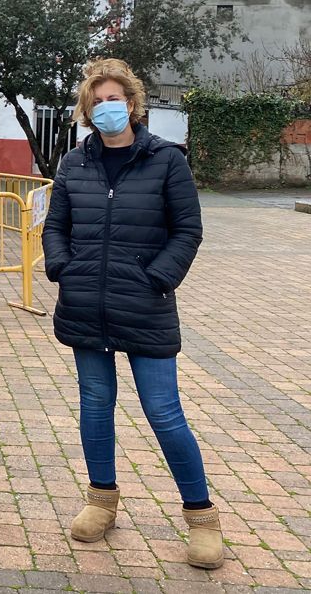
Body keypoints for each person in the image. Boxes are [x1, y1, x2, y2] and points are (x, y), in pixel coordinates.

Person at [42, 58, 221, 569]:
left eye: (114, 98)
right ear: (86, 108)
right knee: (95, 406)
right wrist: (62, 268)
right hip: (85, 307)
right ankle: (101, 500)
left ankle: (202, 517)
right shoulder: (75, 163)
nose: (106, 107)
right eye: (97, 100)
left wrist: (157, 279)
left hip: (145, 306)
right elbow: (57, 226)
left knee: (164, 412)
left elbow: (188, 230)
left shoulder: (166, 160)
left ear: (134, 103)